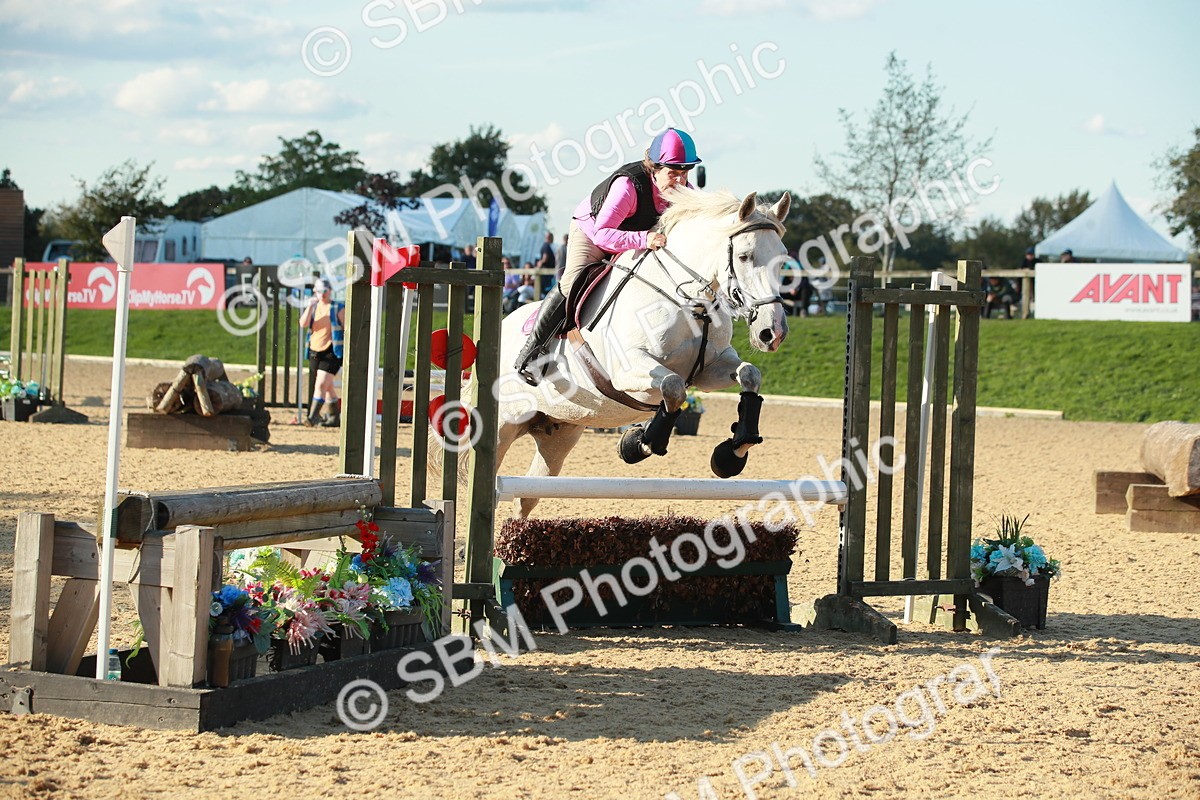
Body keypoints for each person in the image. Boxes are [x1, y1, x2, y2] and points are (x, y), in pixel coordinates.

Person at [513, 127, 703, 384]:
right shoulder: (628, 185)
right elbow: (603, 234)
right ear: (654, 168)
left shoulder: (685, 192)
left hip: (634, 237)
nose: (681, 181)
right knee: (573, 280)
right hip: (593, 232)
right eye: (673, 173)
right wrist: (643, 238)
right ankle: (533, 349)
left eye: (685, 172)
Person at [298, 278, 346, 427]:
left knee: (320, 385)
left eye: (325, 291)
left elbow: (347, 327)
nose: (323, 294)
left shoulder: (337, 307)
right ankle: (333, 417)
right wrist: (310, 306)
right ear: (315, 292)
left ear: (330, 291)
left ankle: (312, 417)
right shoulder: (314, 308)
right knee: (327, 385)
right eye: (320, 291)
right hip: (314, 350)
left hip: (332, 350)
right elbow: (303, 324)